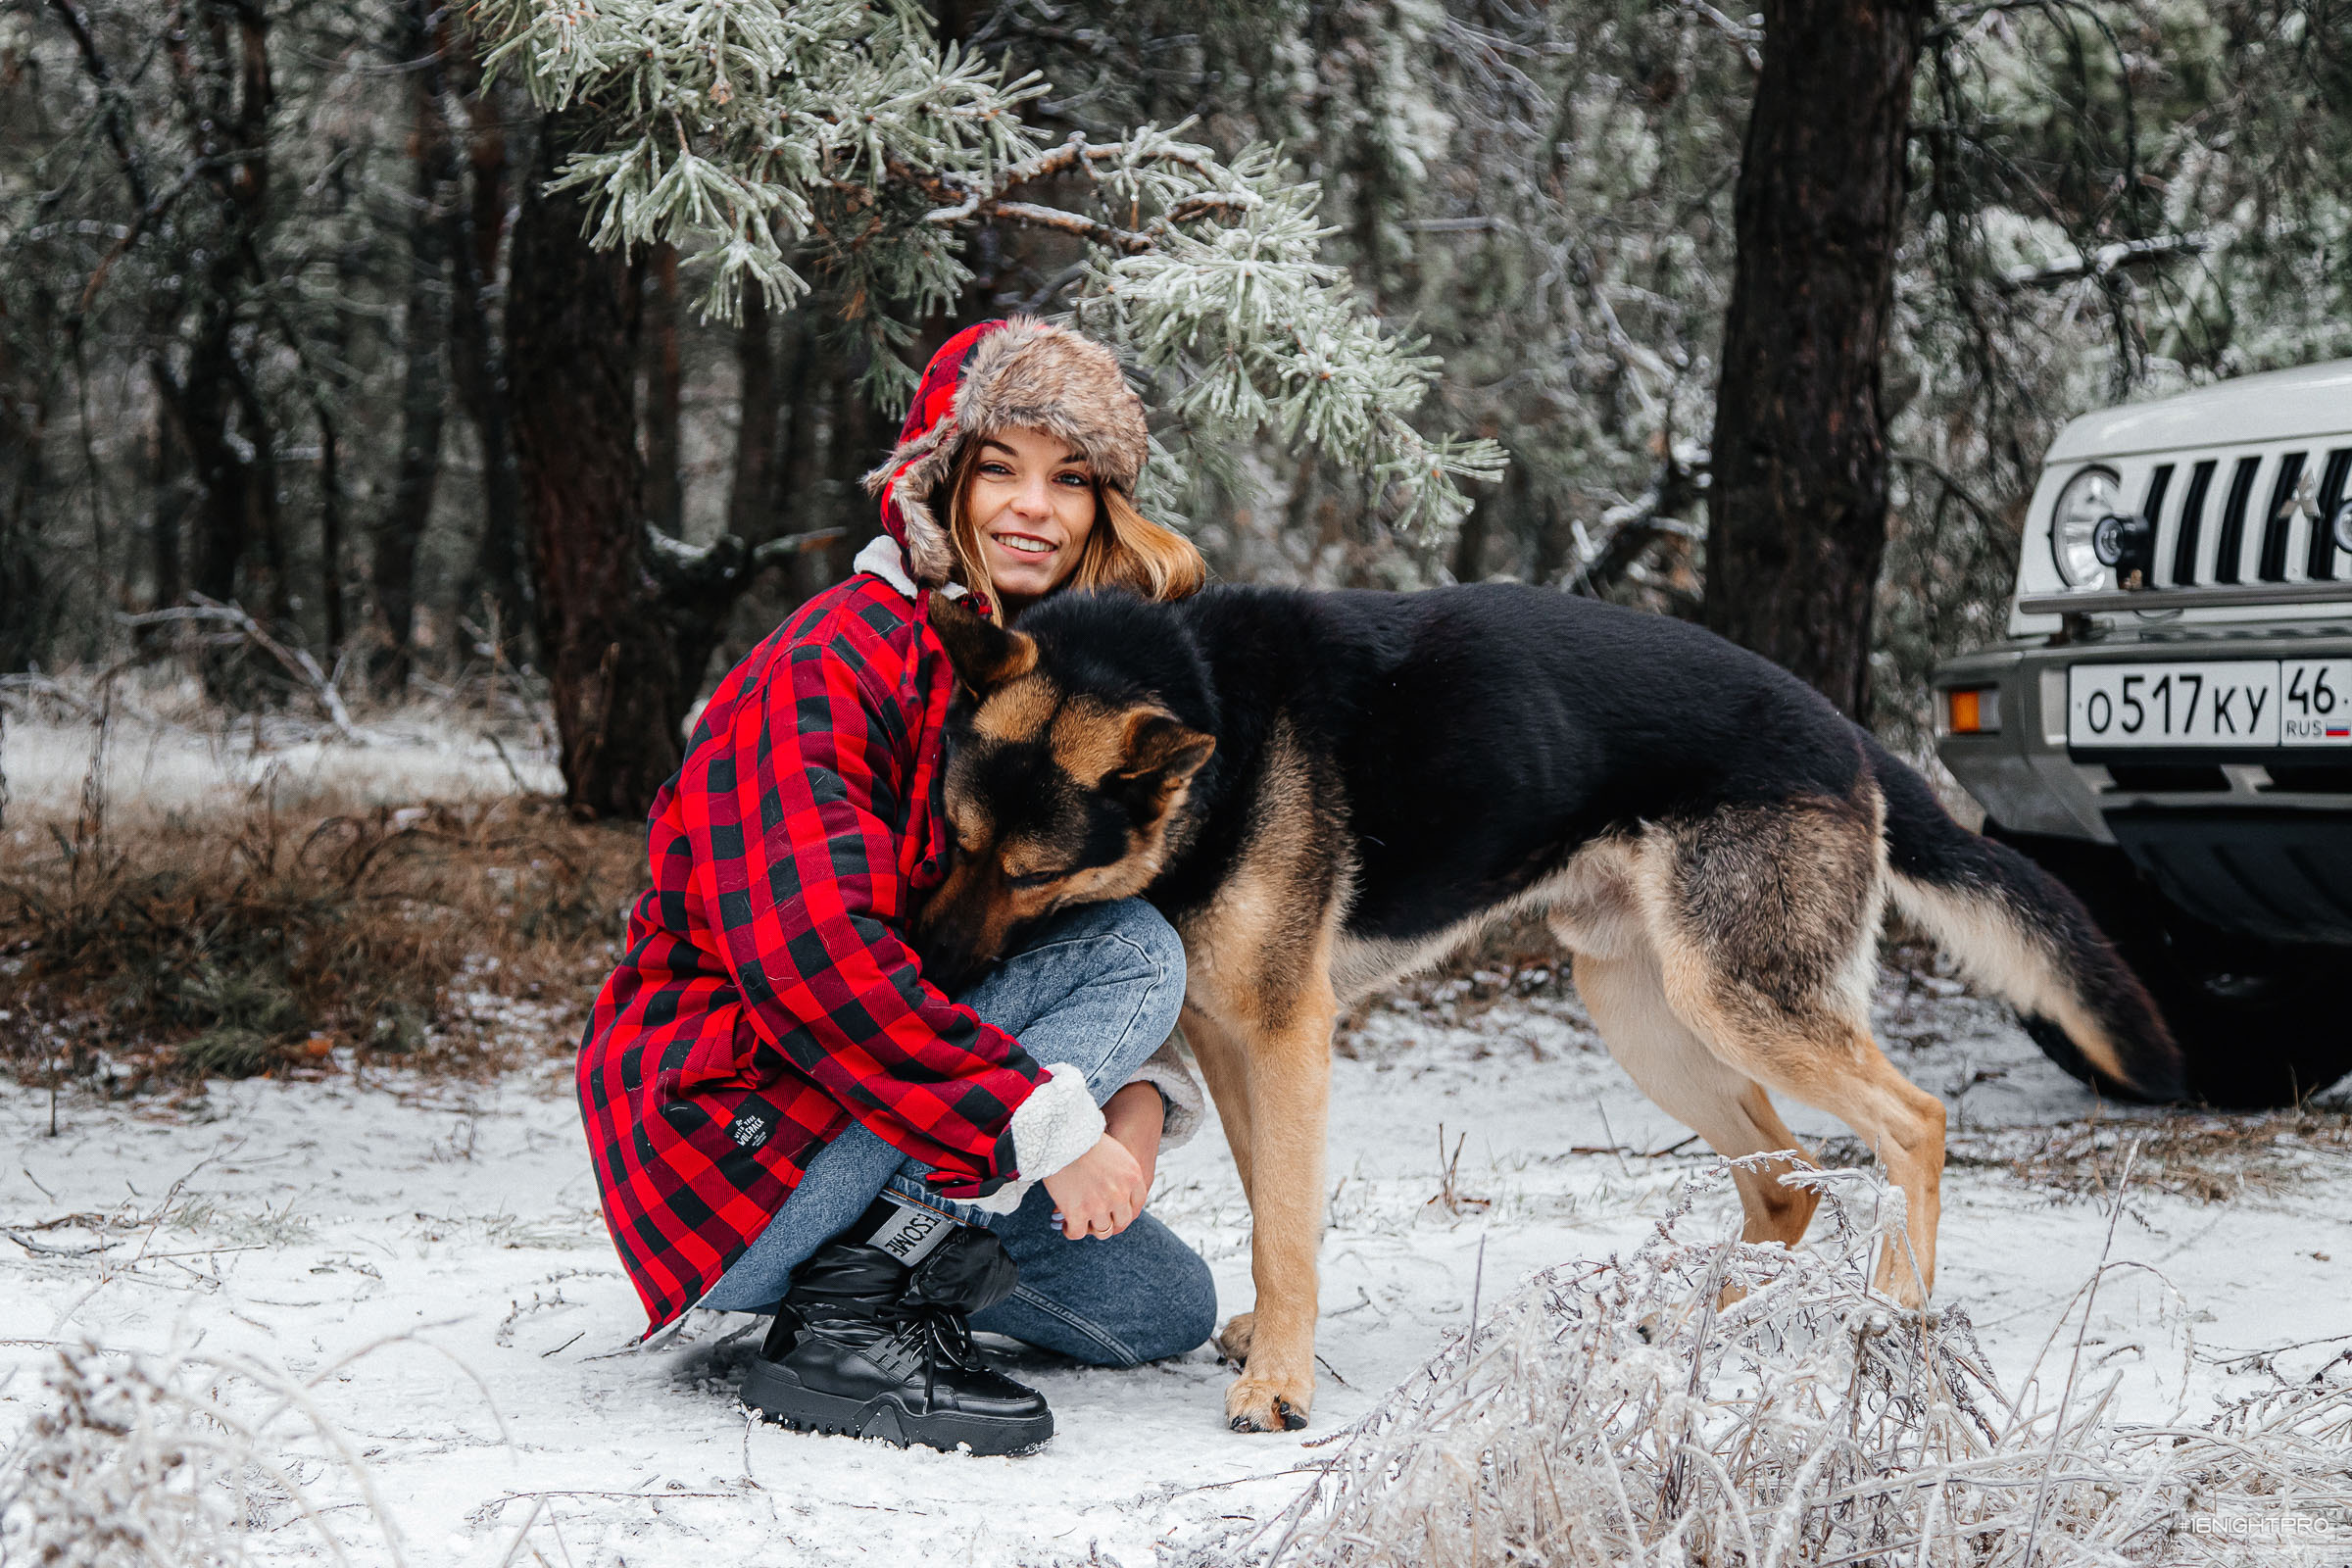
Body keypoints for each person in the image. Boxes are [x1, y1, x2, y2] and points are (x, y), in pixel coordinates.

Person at [576, 318, 1217, 1457]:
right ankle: (851, 1319)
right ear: (938, 475)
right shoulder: (839, 659)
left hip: (878, 1123)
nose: (1034, 507)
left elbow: (1027, 928)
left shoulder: (1020, 680)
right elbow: (819, 968)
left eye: (1071, 479)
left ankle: (881, 1272)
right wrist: (1045, 1123)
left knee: (1162, 1309)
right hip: (739, 1144)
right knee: (1135, 956)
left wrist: (1134, 1098)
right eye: (998, 468)